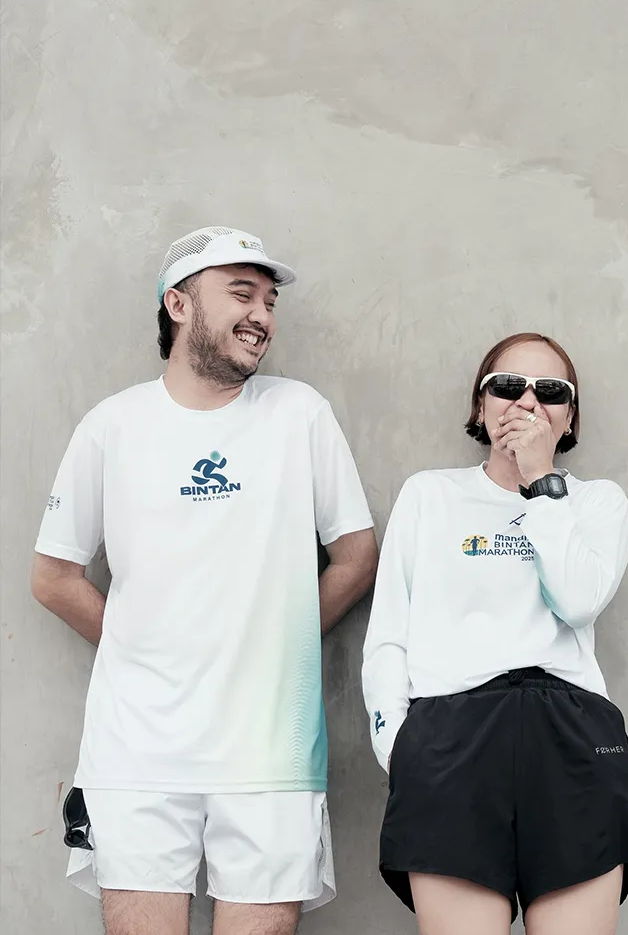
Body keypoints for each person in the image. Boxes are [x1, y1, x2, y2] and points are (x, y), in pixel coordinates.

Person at [32, 226, 378, 935]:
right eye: (242, 295)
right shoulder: (113, 425)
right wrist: (140, 646)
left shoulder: (299, 413)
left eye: (270, 302)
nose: (262, 316)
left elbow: (356, 556)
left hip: (269, 751)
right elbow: (54, 576)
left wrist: (276, 643)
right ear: (179, 304)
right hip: (136, 750)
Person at [362, 332, 628, 935]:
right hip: (451, 739)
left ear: (569, 417)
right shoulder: (430, 494)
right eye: (507, 386)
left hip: (572, 737)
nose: (527, 401)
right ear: (481, 406)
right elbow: (389, 635)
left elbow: (578, 601)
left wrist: (542, 483)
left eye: (550, 391)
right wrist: (400, 749)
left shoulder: (597, 504)